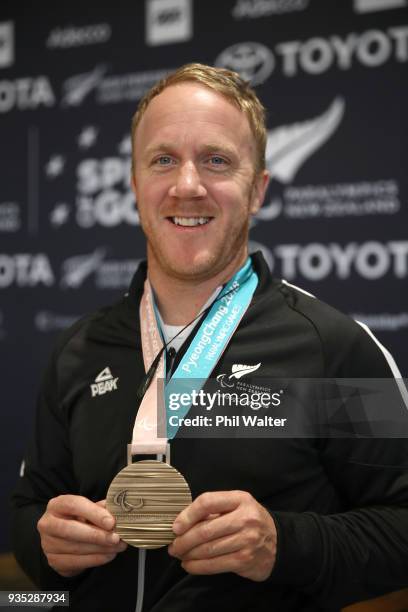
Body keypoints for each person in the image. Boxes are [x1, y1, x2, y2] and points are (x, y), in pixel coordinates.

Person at [12, 63, 408, 612]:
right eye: (163, 160)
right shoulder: (79, 352)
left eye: (217, 161)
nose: (187, 185)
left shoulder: (331, 349)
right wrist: (44, 544)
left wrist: (284, 544)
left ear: (258, 190)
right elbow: (28, 509)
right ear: (134, 184)